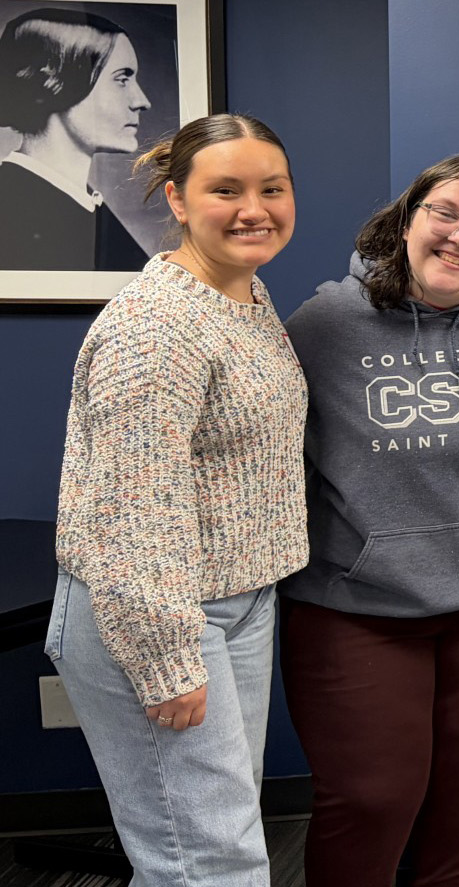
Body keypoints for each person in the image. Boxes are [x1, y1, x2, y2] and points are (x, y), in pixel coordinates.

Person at [279, 154, 459, 887]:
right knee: (370, 799)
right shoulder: (325, 325)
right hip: (357, 603)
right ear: (407, 220)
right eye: (445, 214)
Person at [45, 113, 302, 885]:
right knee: (209, 861)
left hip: (233, 601)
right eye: (226, 190)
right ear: (178, 200)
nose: (254, 209)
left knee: (210, 840)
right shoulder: (156, 326)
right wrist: (165, 657)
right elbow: (133, 511)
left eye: (272, 189)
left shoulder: (243, 297)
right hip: (158, 610)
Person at [0, 8, 151, 270]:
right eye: (122, 79)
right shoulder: (11, 206)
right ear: (59, 83)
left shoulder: (87, 205)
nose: (142, 101)